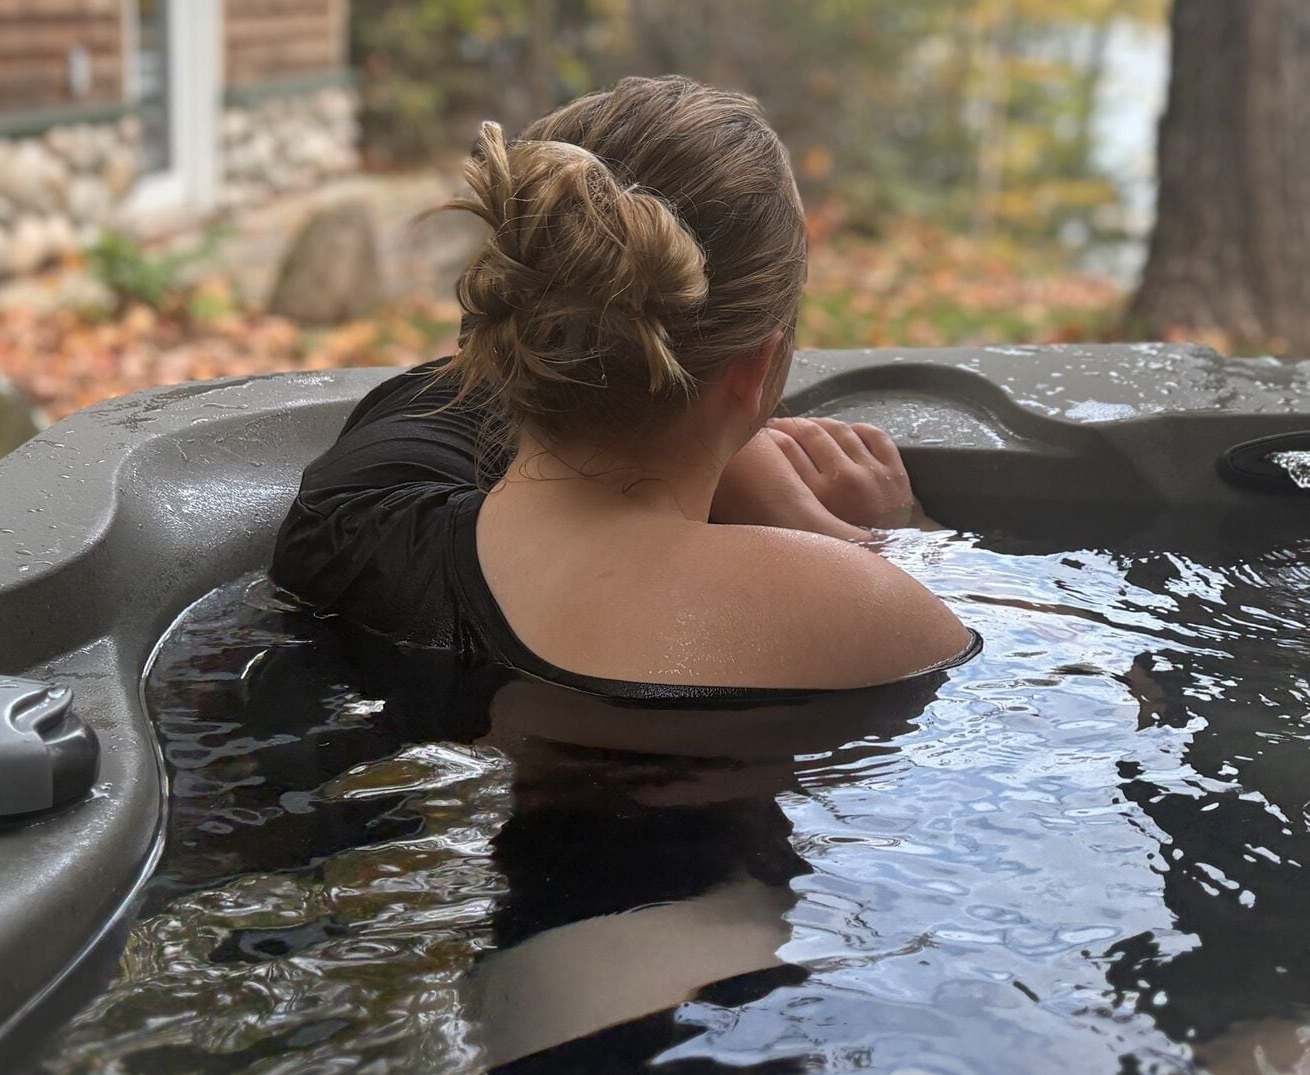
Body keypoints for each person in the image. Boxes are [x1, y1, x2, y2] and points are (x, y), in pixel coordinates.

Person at [271, 75, 975, 699]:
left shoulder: (344, 531)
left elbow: (434, 399)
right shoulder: (871, 616)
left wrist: (728, 436)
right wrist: (895, 535)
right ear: (757, 368)